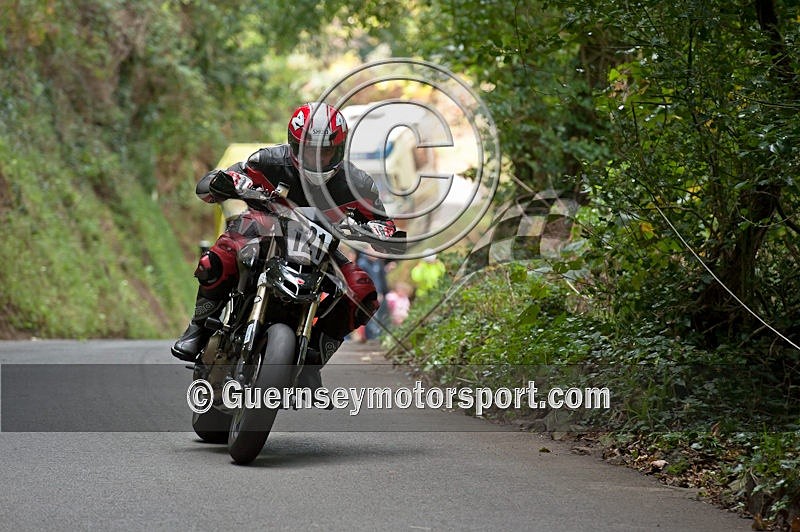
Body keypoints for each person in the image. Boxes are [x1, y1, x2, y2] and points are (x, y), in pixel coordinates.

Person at [171, 102, 400, 388]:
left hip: (321, 249)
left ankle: (312, 360)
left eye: (325, 151)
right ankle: (199, 327)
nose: (316, 159)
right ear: (293, 145)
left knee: (363, 290)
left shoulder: (357, 184)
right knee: (219, 257)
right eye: (309, 150)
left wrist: (381, 231)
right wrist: (226, 183)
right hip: (261, 233)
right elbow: (215, 184)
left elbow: (384, 223)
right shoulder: (267, 160)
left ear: (339, 150)